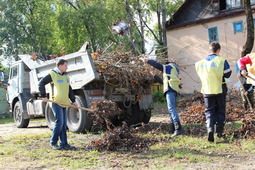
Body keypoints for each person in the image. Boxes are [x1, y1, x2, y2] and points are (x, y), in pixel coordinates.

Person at [195, 41, 232, 142]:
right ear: (218, 50)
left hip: (207, 89)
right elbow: (228, 74)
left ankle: (210, 129)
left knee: (210, 110)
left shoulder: (200, 63)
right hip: (220, 88)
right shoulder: (221, 60)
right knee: (220, 109)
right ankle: (219, 132)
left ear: (209, 50)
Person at [39, 59, 77, 150]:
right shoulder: (53, 74)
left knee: (64, 124)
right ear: (59, 66)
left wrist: (73, 100)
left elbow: (69, 89)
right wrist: (43, 96)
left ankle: (64, 144)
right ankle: (53, 142)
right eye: (65, 65)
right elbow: (41, 83)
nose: (67, 67)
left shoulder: (66, 76)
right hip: (56, 102)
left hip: (64, 103)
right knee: (59, 123)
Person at [141, 58, 184, 137]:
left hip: (170, 89)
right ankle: (172, 129)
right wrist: (155, 76)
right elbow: (163, 82)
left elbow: (158, 65)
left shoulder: (170, 67)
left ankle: (179, 129)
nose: (166, 64)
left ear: (171, 62)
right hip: (172, 89)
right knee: (171, 109)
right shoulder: (173, 71)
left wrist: (148, 61)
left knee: (171, 109)